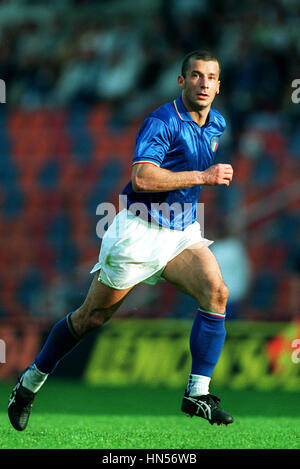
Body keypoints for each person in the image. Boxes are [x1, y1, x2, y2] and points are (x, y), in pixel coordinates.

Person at [8, 50, 234, 431]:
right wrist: (203, 176)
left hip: (181, 233)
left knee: (217, 293)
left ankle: (197, 394)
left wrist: (201, 180)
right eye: (195, 76)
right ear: (182, 81)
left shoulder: (218, 124)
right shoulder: (162, 121)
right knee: (91, 318)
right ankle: (29, 385)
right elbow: (144, 178)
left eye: (211, 77)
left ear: (218, 85)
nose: (203, 84)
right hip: (137, 232)